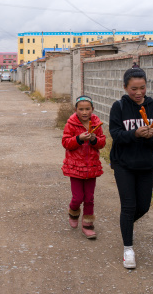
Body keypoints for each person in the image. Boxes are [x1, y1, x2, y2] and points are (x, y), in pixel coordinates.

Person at [109, 68, 153, 269]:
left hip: (145, 164)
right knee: (129, 206)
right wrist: (135, 134)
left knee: (144, 206)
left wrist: (152, 135)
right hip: (123, 163)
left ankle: (126, 227)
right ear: (125, 87)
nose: (138, 92)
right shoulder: (119, 106)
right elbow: (115, 134)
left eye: (142, 88)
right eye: (134, 88)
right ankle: (128, 249)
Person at [62, 96, 106, 239]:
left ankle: (88, 226)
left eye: (87, 109)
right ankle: (73, 211)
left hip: (91, 167)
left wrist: (94, 139)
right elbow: (66, 142)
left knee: (89, 198)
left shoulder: (96, 124)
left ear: (92, 109)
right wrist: (79, 139)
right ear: (76, 110)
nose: (84, 112)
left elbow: (102, 142)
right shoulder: (71, 124)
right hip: (75, 167)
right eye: (81, 109)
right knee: (78, 197)